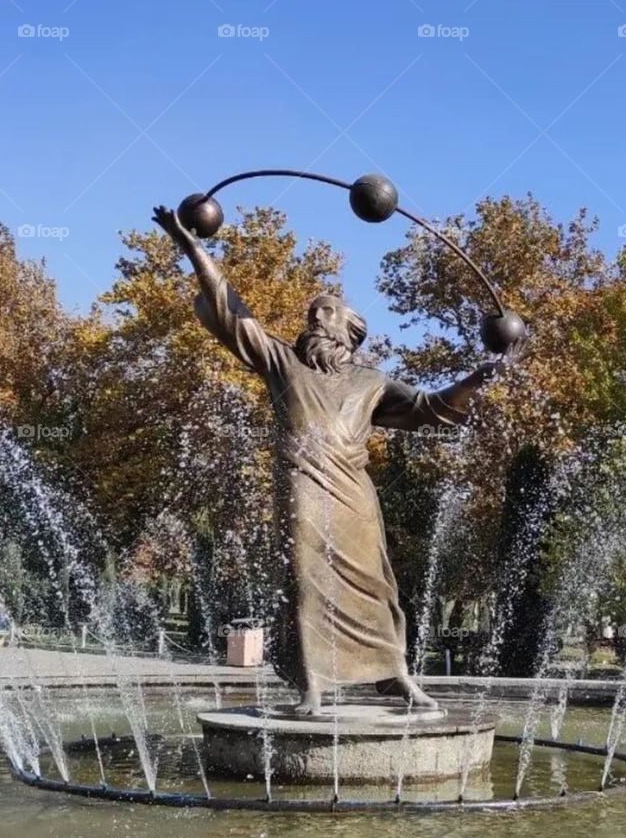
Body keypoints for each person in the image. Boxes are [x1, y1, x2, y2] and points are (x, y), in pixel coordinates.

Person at [154, 204, 520, 714]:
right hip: (304, 482)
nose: (314, 316)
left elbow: (430, 409)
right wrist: (191, 245)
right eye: (313, 311)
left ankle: (394, 676)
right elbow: (230, 311)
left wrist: (478, 378)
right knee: (308, 575)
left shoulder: (371, 381)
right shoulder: (283, 362)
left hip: (354, 492)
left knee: (377, 584)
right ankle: (314, 683)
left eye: (326, 311)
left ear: (351, 329)